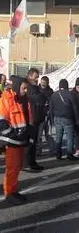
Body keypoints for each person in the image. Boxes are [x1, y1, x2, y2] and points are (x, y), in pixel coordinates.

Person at [0, 77, 32, 205]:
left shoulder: (21, 100)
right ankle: (9, 193)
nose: (25, 90)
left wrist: (26, 134)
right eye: (24, 88)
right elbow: (2, 122)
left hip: (19, 140)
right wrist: (13, 135)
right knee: (12, 168)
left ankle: (12, 190)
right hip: (11, 140)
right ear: (17, 86)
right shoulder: (6, 100)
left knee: (17, 166)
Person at [49, 79, 79, 160]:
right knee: (69, 137)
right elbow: (75, 108)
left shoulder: (54, 95)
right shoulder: (71, 94)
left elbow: (51, 108)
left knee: (58, 137)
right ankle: (69, 154)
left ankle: (58, 155)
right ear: (67, 85)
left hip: (57, 118)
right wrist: (77, 119)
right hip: (68, 118)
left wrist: (52, 120)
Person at [26, 68, 46, 172]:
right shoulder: (28, 87)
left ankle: (32, 162)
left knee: (33, 143)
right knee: (30, 143)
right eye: (36, 76)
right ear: (30, 76)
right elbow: (37, 98)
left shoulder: (35, 88)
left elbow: (41, 98)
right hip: (31, 120)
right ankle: (29, 163)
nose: (37, 78)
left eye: (38, 76)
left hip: (36, 119)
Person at [37, 76, 54, 156]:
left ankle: (52, 149)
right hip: (39, 115)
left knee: (49, 134)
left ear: (48, 83)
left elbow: (52, 103)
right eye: (42, 82)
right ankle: (38, 150)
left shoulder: (50, 91)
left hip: (48, 116)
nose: (43, 84)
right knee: (39, 134)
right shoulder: (37, 90)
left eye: (45, 82)